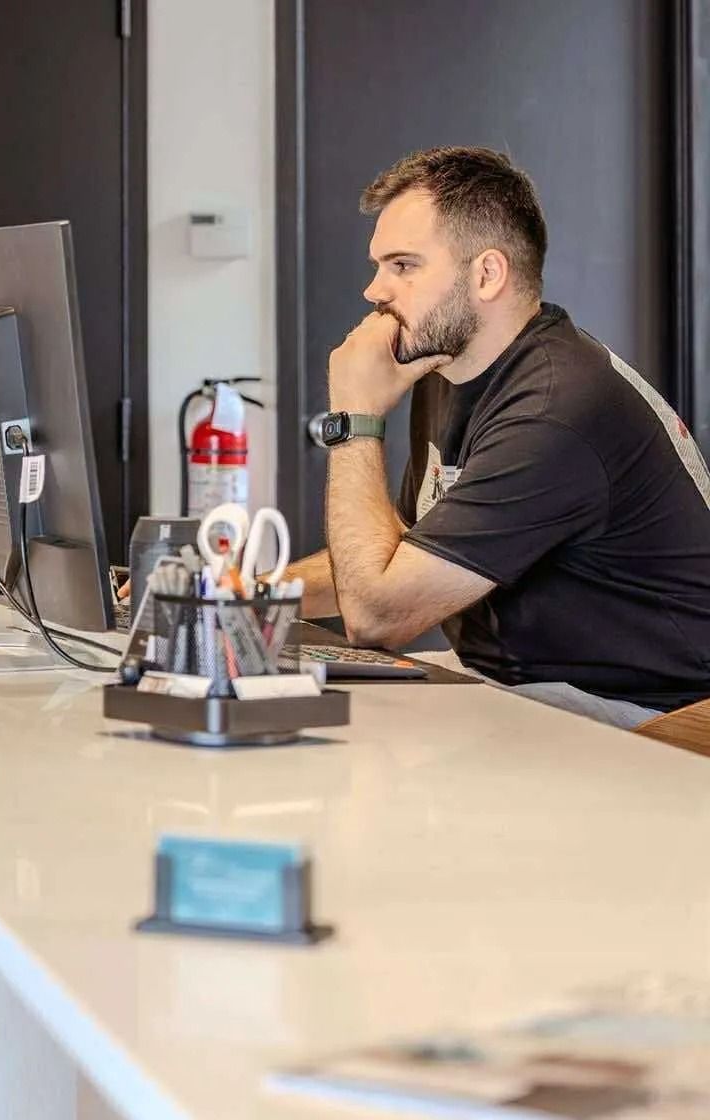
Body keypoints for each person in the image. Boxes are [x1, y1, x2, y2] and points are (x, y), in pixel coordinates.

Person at [283, 146, 710, 728]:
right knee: (290, 700)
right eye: (379, 266)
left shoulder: (554, 408)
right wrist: (242, 594)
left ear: (486, 274)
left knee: (340, 742)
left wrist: (355, 418)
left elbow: (377, 616)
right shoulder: (452, 371)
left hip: (641, 717)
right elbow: (398, 556)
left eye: (402, 266)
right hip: (516, 683)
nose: (374, 291)